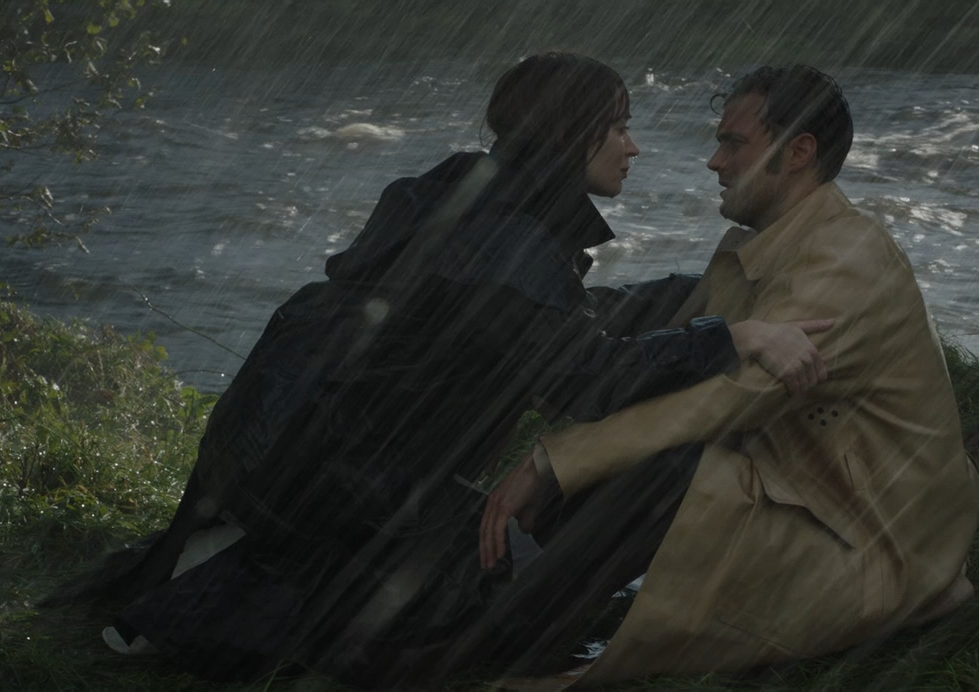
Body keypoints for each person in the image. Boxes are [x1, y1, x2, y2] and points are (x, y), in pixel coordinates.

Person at [42, 53, 829, 688]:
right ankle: (226, 593)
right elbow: (590, 379)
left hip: (304, 461)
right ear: (574, 132)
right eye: (619, 126)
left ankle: (229, 563)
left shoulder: (462, 197)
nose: (634, 146)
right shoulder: (509, 241)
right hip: (350, 490)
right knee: (526, 561)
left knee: (484, 553)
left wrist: (690, 292)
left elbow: (545, 323)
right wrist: (734, 336)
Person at [476, 65, 979, 686]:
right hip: (808, 495)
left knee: (665, 466)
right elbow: (664, 356)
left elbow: (727, 400)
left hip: (876, 546)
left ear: (798, 153)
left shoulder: (846, 262)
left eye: (734, 144)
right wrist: (528, 322)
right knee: (626, 439)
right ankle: (511, 598)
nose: (715, 161)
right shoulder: (768, 240)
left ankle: (505, 641)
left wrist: (550, 460)